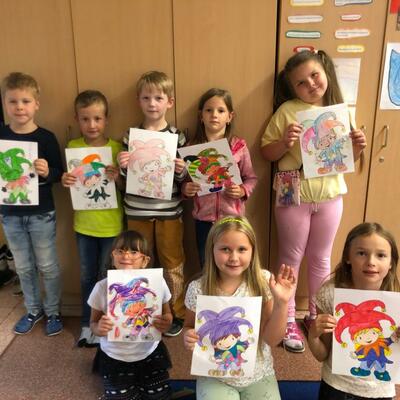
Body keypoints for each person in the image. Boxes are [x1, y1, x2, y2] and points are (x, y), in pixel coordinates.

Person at [261, 50, 367, 352]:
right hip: (292, 195)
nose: (310, 84)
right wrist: (285, 142)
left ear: (325, 72)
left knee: (321, 259)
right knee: (290, 258)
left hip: (331, 196)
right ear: (292, 88)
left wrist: (358, 148)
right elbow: (266, 152)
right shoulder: (287, 111)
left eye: (314, 75)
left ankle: (316, 316)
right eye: (301, 82)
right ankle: (287, 319)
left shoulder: (340, 111)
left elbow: (345, 159)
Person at [183, 216, 296, 399]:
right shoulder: (198, 288)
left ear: (252, 251)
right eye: (225, 249)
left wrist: (282, 304)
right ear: (211, 249)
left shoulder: (263, 282)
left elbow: (272, 339)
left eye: (242, 249)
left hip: (258, 373)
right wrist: (188, 336)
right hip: (215, 375)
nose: (234, 257)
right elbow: (188, 326)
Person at [117, 71, 186, 336]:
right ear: (138, 101)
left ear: (170, 102)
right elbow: (125, 180)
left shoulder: (178, 137)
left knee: (173, 263)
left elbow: (183, 180)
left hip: (169, 212)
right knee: (138, 261)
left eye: (158, 98)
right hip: (137, 211)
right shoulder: (130, 137)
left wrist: (180, 170)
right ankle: (142, 310)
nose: (152, 103)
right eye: (146, 98)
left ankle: (176, 313)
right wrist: (123, 166)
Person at [0, 72, 63, 335]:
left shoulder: (46, 137)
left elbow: (60, 174)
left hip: (41, 213)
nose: (19, 107)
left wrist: (48, 171)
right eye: (13, 101)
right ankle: (33, 309)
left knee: (47, 265)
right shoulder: (1, 135)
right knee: (23, 267)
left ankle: (53, 311)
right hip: (10, 213)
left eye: (25, 101)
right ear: (5, 104)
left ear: (36, 104)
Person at [308, 222, 400, 400]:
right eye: (362, 253)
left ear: (391, 263)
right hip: (337, 387)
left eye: (381, 255)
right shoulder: (330, 294)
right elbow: (322, 355)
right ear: (348, 257)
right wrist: (313, 336)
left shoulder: (396, 303)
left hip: (380, 391)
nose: (371, 262)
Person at [61, 90, 124, 347]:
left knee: (107, 277)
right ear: (76, 119)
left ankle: (106, 324)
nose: (92, 125)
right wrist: (65, 179)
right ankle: (88, 324)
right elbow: (72, 182)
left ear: (106, 119)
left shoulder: (117, 148)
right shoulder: (73, 148)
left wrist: (118, 178)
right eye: (85, 119)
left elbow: (126, 188)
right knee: (87, 277)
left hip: (112, 227)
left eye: (97, 118)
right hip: (84, 226)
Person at [88, 230, 173, 400]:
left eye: (134, 252)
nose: (126, 255)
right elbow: (93, 323)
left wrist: (166, 323)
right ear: (113, 257)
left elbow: (168, 314)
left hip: (149, 352)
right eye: (120, 251)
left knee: (159, 396)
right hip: (115, 355)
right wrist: (99, 328)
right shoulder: (101, 288)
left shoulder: (158, 283)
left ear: (145, 261)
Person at [182, 88, 257, 268]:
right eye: (209, 110)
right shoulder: (191, 148)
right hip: (203, 221)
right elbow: (184, 181)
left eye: (221, 110)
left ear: (230, 116)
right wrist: (186, 189)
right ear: (201, 116)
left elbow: (251, 178)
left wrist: (242, 191)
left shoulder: (238, 146)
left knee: (233, 263)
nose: (214, 115)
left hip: (233, 219)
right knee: (206, 264)